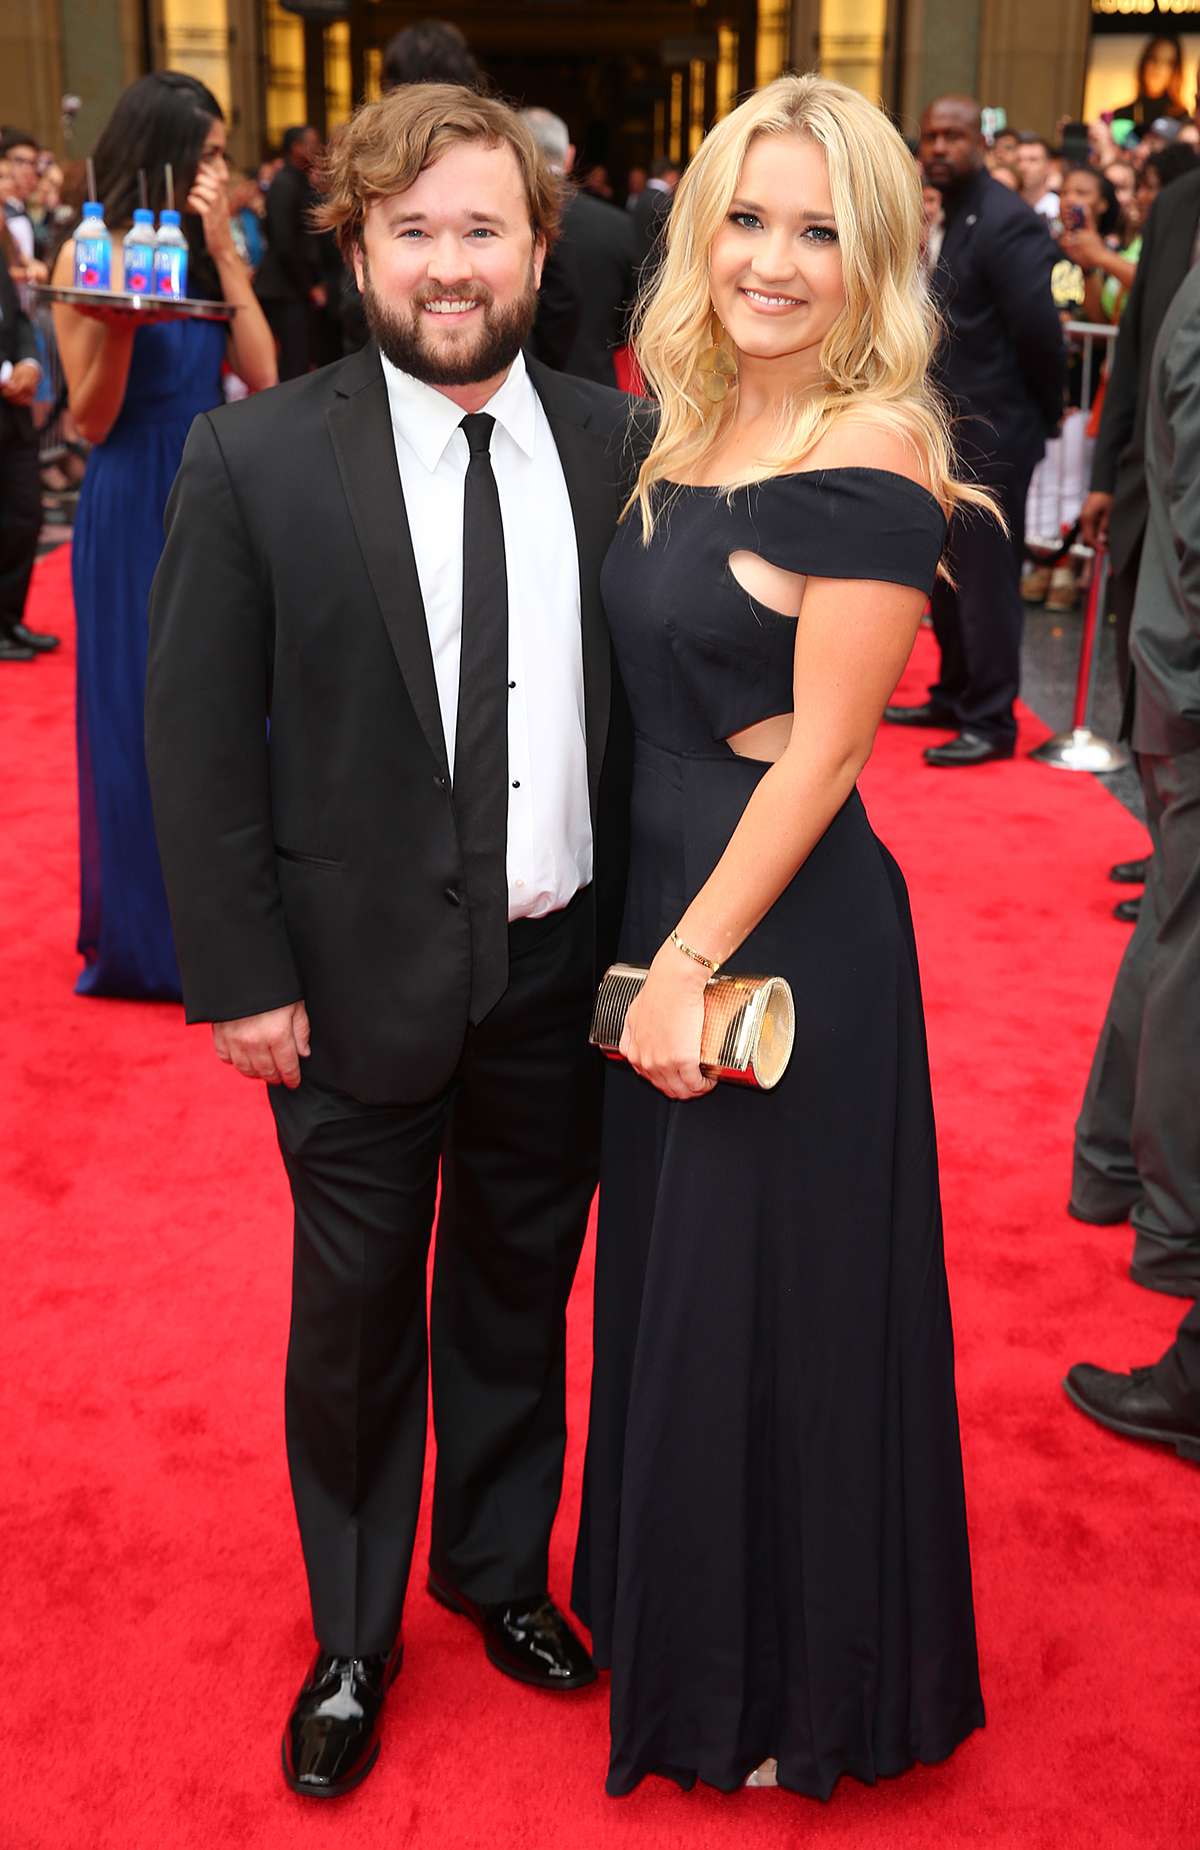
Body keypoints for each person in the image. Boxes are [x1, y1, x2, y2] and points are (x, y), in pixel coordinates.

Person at [145, 82, 635, 1801]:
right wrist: (242, 976)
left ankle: (498, 1572)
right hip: (344, 991)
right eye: (412, 228)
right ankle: (355, 1632)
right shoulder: (254, 454)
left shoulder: (614, 446)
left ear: (533, 244)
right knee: (355, 1317)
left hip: (560, 970)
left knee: (517, 1287)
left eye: (480, 228)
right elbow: (195, 743)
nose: (449, 263)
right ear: (356, 246)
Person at [573, 71, 985, 1799]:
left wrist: (683, 962)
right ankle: (691, 1629)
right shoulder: (687, 413)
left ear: (876, 256)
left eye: (822, 229)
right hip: (667, 881)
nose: (776, 258)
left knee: (776, 1306)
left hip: (778, 931)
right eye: (749, 215)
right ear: (701, 227)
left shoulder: (870, 452)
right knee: (682, 1291)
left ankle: (787, 1691)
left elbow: (825, 752)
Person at [51, 72, 276, 1000]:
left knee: (232, 709)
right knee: (136, 711)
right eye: (212, 154)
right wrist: (119, 329)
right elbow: (90, 421)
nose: (222, 172)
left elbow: (265, 378)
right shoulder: (90, 250)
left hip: (214, 493)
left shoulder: (210, 247)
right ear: (168, 155)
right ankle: (149, 939)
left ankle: (237, 926)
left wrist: (226, 256)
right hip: (127, 492)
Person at [1065, 257, 1200, 1433]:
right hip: (1195, 676)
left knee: (1177, 925)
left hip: (1182, 665)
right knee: (1187, 943)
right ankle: (1171, 1223)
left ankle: (1119, 1171)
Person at [885, 95, 1063, 766]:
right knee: (950, 578)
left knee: (987, 582)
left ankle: (992, 719)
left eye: (953, 136)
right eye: (930, 135)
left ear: (981, 143)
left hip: (996, 431)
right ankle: (955, 692)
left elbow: (1041, 333)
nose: (938, 147)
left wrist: (1041, 415)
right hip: (950, 430)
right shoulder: (955, 216)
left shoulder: (1006, 223)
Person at [524, 106, 635, 387]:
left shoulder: (496, 224)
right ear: (570, 155)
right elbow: (637, 314)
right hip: (598, 389)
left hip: (520, 390)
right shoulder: (617, 225)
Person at [0, 234, 54, 661]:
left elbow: (17, 319)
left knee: (25, 516)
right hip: (7, 392)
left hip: (13, 416)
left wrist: (29, 363)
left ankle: (8, 621)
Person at [254, 124, 326, 379]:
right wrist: (309, 285)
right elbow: (285, 241)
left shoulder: (298, 180)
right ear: (296, 148)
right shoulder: (284, 183)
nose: (317, 149)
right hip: (284, 287)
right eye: (312, 143)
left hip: (293, 285)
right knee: (293, 362)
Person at [1112, 34, 1192, 137]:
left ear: (1175, 71)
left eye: (1168, 63)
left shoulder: (1181, 117)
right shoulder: (1122, 115)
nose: (1158, 68)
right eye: (1153, 59)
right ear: (1144, 63)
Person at [630, 154, 680, 292]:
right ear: (671, 175)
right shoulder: (664, 202)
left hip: (636, 269)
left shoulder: (640, 197)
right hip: (656, 274)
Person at [1015, 133, 1060, 223]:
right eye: (1019, 160)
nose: (1024, 166)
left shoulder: (1058, 208)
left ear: (1049, 166)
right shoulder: (1005, 204)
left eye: (1033, 160)